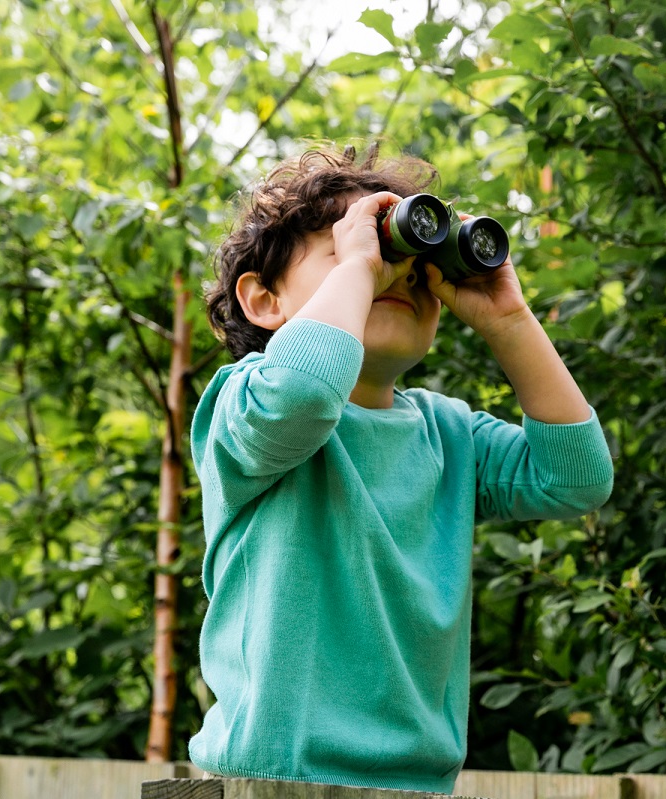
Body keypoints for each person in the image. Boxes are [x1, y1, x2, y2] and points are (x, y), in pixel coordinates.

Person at [189, 143, 614, 793]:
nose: (391, 276)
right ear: (264, 301)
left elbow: (577, 476)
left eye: (413, 271)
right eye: (354, 256)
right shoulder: (245, 400)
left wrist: (510, 320)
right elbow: (302, 393)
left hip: (417, 785)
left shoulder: (450, 435)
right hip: (269, 776)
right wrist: (363, 265)